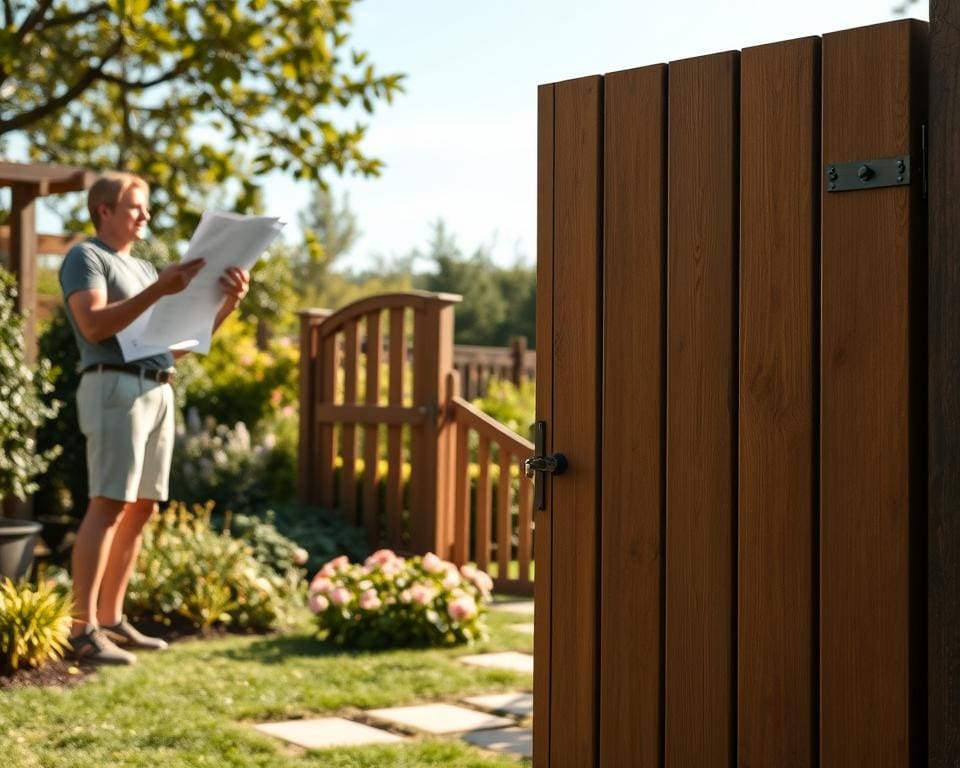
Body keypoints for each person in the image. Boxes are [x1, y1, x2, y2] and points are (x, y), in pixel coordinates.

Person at [58, 171, 250, 664]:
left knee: (142, 508)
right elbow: (93, 322)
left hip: (158, 388)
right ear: (105, 211)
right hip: (113, 385)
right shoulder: (87, 257)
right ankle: (83, 629)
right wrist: (160, 290)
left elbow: (177, 348)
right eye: (136, 207)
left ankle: (113, 618)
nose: (145, 215)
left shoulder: (144, 269)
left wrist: (226, 304)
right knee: (108, 503)